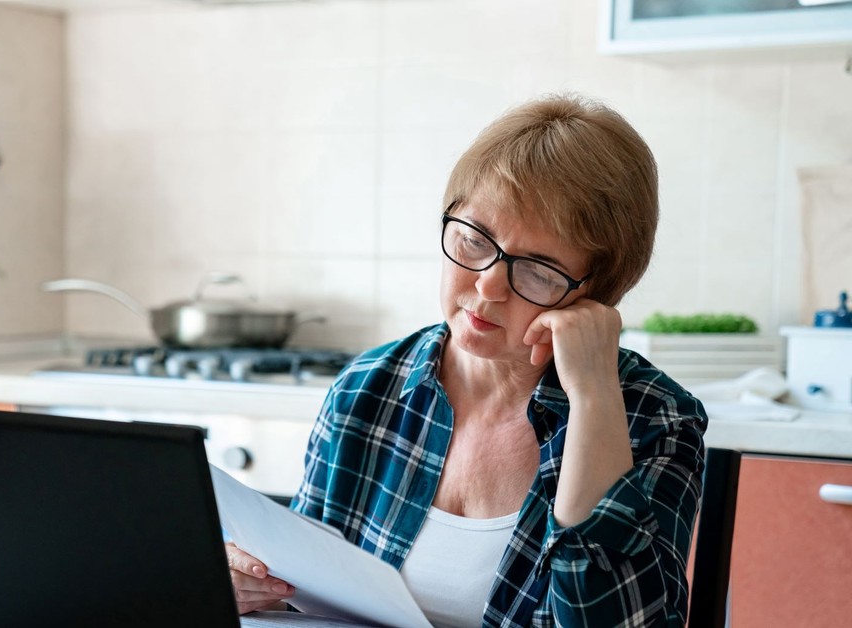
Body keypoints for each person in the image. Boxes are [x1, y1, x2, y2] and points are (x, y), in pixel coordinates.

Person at [225, 93, 708, 627]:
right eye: (475, 238)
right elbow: (305, 590)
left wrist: (593, 396)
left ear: (596, 292)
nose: (487, 284)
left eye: (539, 270)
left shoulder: (653, 418)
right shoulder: (368, 386)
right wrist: (256, 584)